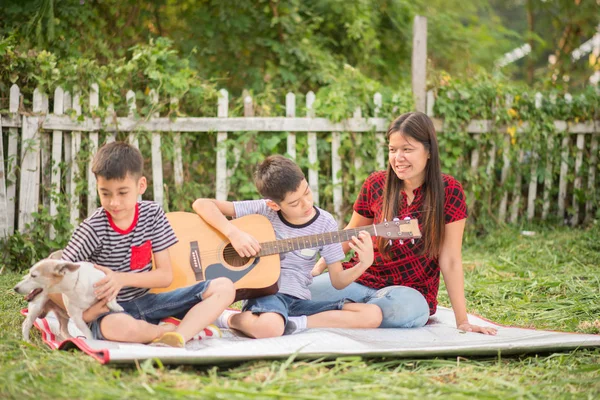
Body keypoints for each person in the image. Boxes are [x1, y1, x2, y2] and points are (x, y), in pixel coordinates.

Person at [310, 112, 497, 335]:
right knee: (302, 293)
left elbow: (451, 259)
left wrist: (462, 321)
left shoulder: (449, 191)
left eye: (407, 149)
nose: (398, 157)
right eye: (392, 149)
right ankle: (354, 313)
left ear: (429, 151)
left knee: (403, 311)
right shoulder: (376, 183)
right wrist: (321, 266)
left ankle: (332, 313)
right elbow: (352, 232)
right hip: (359, 280)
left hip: (408, 293)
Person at [58, 141, 236, 347]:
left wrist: (120, 279)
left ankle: (179, 336)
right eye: (105, 193)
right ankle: (168, 330)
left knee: (225, 286)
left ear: (141, 185)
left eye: (122, 193)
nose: (114, 202)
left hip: (150, 303)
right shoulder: (91, 229)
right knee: (119, 327)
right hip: (109, 312)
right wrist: (88, 315)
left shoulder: (153, 214)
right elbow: (61, 274)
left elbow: (165, 276)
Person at [193, 155, 382, 338]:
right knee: (269, 326)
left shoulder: (325, 223)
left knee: (372, 315)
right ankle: (226, 317)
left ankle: (293, 324)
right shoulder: (263, 211)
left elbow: (338, 281)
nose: (306, 203)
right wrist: (234, 234)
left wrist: (363, 264)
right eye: (294, 203)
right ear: (274, 205)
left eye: (307, 192)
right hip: (267, 296)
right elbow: (202, 204)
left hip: (299, 302)